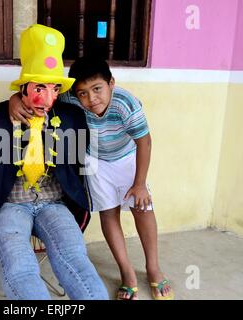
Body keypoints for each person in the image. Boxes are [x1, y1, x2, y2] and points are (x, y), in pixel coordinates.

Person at [0, 24, 108, 300]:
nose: (46, 98)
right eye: (39, 87)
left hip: (55, 202)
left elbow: (78, 165)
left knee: (76, 260)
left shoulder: (72, 117)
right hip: (8, 205)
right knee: (20, 268)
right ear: (23, 87)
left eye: (54, 89)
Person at [9, 56, 174, 300]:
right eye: (83, 93)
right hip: (95, 162)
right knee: (108, 213)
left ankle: (153, 269)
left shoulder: (125, 103)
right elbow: (43, 97)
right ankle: (127, 273)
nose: (90, 98)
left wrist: (139, 184)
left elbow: (144, 142)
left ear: (111, 83)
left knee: (143, 209)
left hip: (128, 158)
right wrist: (14, 99)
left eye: (97, 89)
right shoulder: (72, 98)